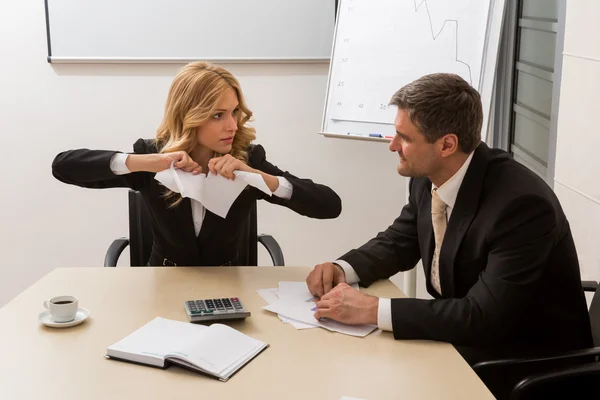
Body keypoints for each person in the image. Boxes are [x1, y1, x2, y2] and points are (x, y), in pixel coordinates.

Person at [306, 73, 592, 365]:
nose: (392, 146)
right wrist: (342, 269)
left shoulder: (521, 206)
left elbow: (484, 317)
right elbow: (400, 241)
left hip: (524, 361)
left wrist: (372, 310)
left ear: (446, 145)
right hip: (465, 340)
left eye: (404, 138)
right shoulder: (427, 177)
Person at [52, 61, 341, 267]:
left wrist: (259, 177)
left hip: (228, 284)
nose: (232, 125)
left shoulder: (248, 159)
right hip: (164, 282)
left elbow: (330, 206)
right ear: (189, 115)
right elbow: (63, 166)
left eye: (235, 112)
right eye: (218, 115)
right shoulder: (152, 158)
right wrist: (143, 162)